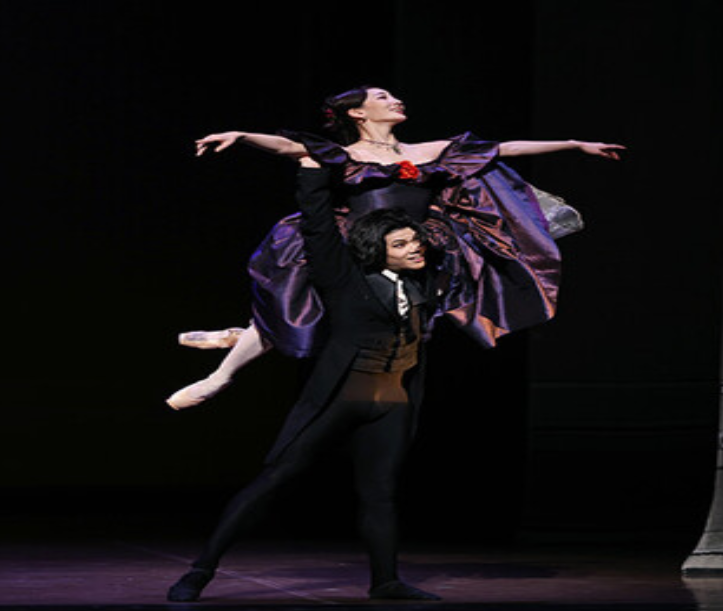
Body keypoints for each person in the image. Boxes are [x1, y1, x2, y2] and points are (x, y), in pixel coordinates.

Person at [166, 85, 624, 410]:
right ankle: (221, 374)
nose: (395, 100)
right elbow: (288, 147)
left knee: (392, 311)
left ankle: (249, 336)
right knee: (303, 295)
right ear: (357, 113)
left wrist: (574, 144)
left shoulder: (429, 150)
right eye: (382, 97)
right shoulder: (346, 154)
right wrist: (243, 136)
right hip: (355, 238)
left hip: (413, 241)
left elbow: (505, 149)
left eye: (393, 96)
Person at [167, 163, 443, 601]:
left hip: (391, 402)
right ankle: (200, 572)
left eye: (414, 240)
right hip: (341, 396)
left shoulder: (422, 276)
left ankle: (386, 581)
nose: (415, 247)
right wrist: (312, 175)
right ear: (377, 250)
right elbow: (318, 226)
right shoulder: (343, 277)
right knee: (275, 479)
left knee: (380, 494)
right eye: (402, 243)